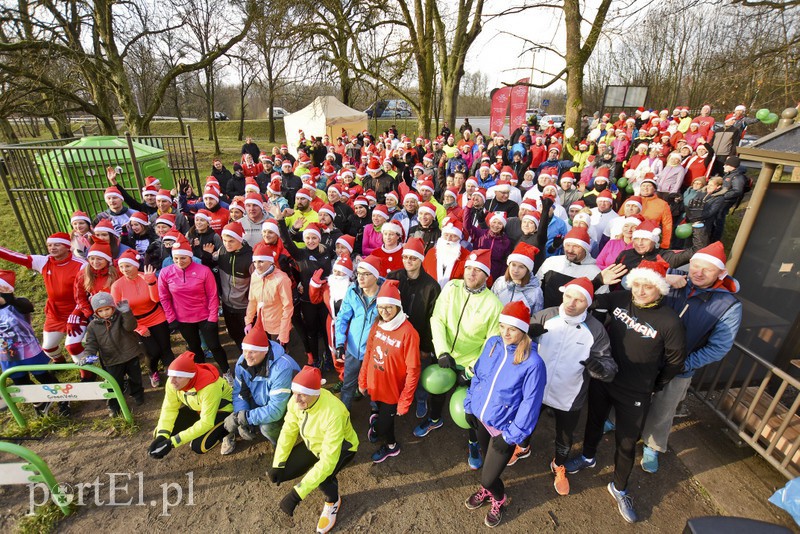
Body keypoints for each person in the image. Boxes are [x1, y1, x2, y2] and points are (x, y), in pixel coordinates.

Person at [565, 259, 686, 523]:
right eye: (638, 285)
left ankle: (619, 487)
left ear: (661, 289)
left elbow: (676, 361)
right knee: (594, 421)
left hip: (636, 391)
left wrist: (655, 384)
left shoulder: (670, 321)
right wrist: (598, 281)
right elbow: (587, 300)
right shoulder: (620, 298)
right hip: (604, 379)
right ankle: (587, 456)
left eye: (649, 287)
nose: (641, 292)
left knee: (627, 441)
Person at [639, 242, 741, 473]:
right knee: (630, 392)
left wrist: (683, 364)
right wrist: (663, 278)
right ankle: (616, 421)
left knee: (664, 407)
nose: (698, 272)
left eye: (707, 269)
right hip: (646, 355)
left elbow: (720, 347)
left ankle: (653, 445)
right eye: (695, 266)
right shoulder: (674, 278)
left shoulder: (728, 304)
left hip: (681, 367)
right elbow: (632, 285)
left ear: (720, 273)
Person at [463, 300, 547, 528]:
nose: (505, 333)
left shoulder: (533, 363)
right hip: (481, 418)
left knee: (488, 476)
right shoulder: (493, 344)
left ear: (523, 330)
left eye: (512, 328)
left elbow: (531, 405)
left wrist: (510, 436)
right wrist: (470, 405)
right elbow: (479, 376)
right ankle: (488, 491)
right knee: (486, 466)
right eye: (502, 326)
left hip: (504, 429)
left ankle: (499, 498)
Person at [419, 249, 503, 470]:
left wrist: (472, 370)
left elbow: (491, 344)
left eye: (477, 270)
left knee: (469, 408)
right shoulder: (451, 288)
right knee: (435, 391)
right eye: (468, 268)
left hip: (470, 364)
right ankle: (434, 419)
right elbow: (437, 319)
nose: (471, 273)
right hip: (445, 355)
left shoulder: (493, 304)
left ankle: (473, 442)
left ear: (486, 275)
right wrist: (442, 351)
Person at [530, 278, 615, 494]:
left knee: (565, 437)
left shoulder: (595, 330)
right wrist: (527, 336)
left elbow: (609, 366)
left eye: (579, 300)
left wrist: (598, 368)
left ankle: (559, 465)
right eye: (568, 296)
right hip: (536, 388)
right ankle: (522, 448)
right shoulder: (545, 316)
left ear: (588, 303)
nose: (571, 303)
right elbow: (518, 344)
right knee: (526, 424)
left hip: (569, 395)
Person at [268, 366, 359, 534]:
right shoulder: (296, 401)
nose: (296, 400)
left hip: (343, 448)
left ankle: (333, 501)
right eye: (294, 393)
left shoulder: (334, 413)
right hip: (314, 445)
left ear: (316, 392)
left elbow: (328, 460)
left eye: (302, 394)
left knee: (324, 478)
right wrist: (278, 463)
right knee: (282, 471)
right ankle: (310, 474)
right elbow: (288, 431)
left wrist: (297, 494)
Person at [0, 233, 85, 373]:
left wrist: (77, 313)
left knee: (73, 347)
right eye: (50, 245)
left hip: (77, 312)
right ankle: (59, 362)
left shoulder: (81, 265)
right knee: (48, 347)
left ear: (67, 246)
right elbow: (15, 256)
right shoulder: (44, 261)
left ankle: (87, 375)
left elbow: (86, 295)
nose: (52, 248)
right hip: (55, 313)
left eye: (57, 245)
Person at [358, 280, 421, 462]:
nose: (384, 312)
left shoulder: (409, 333)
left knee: (384, 426)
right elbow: (369, 353)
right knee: (379, 410)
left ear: (398, 307)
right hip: (375, 384)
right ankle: (377, 421)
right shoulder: (377, 325)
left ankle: (391, 446)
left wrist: (405, 402)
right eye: (381, 307)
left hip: (393, 391)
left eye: (389, 308)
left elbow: (413, 371)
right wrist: (363, 381)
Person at [157, 237, 232, 383]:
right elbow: (164, 297)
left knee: (214, 346)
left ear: (190, 256)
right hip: (183, 319)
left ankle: (227, 372)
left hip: (204, 316)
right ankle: (202, 374)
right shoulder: (166, 273)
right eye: (176, 258)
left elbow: (212, 295)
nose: (179, 261)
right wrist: (171, 318)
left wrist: (212, 317)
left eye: (183, 258)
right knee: (194, 348)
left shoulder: (203, 270)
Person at [222, 321, 300, 455]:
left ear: (264, 351)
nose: (247, 355)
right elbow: (240, 392)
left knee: (267, 427)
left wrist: (243, 418)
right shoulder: (243, 362)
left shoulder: (282, 368)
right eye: (245, 350)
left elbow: (276, 410)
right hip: (264, 398)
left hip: (287, 404)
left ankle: (282, 443)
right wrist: (242, 414)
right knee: (240, 412)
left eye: (252, 352)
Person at [0, 270, 68, 416]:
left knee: (43, 376)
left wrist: (9, 297)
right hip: (7, 355)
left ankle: (63, 398)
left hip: (29, 350)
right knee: (20, 382)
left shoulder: (17, 305)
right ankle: (39, 401)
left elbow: (27, 307)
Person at [274, 206, 333, 367]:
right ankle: (315, 358)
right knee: (312, 332)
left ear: (319, 239)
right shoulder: (301, 254)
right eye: (308, 238)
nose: (311, 241)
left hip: (325, 300)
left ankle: (329, 356)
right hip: (308, 301)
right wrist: (280, 221)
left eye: (314, 238)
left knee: (327, 331)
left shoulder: (327, 251)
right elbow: (286, 241)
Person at [149, 351, 234, 457]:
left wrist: (173, 442)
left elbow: (206, 422)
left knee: (199, 446)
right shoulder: (172, 382)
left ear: (190, 377)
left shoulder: (210, 387)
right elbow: (169, 409)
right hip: (198, 409)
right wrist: (162, 436)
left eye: (178, 377)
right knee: (161, 432)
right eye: (170, 376)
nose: (172, 381)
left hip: (223, 411)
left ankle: (229, 431)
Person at [112, 251, 173, 388]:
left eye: (128, 266)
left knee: (165, 347)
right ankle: (153, 371)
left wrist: (151, 282)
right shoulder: (117, 286)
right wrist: (138, 327)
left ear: (135, 265)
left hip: (156, 316)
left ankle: (173, 373)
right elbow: (120, 312)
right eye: (121, 267)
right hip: (135, 321)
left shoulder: (146, 277)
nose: (124, 270)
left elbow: (156, 300)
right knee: (152, 352)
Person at [83, 292, 145, 416]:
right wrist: (88, 355)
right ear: (96, 312)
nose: (105, 313)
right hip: (111, 359)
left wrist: (127, 312)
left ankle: (137, 394)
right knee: (113, 382)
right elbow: (91, 343)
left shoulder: (120, 316)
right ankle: (114, 404)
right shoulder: (93, 326)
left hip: (130, 354)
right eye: (101, 311)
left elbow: (131, 326)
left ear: (113, 307)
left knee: (135, 377)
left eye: (107, 309)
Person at [335, 255, 384, 410]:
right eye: (358, 273)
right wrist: (340, 343)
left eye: (365, 274)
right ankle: (344, 414)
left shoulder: (386, 295)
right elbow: (342, 318)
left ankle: (375, 416)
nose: (360, 278)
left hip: (375, 352)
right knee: (348, 384)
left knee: (375, 386)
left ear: (375, 276)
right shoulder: (353, 290)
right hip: (353, 349)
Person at [536, 227, 607, 309]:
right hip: (545, 314)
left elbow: (600, 307)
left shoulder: (595, 273)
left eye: (576, 246)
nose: (570, 250)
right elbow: (536, 287)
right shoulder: (551, 262)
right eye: (568, 245)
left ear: (585, 249)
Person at [211, 222, 253, 351]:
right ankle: (243, 357)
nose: (227, 244)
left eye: (231, 241)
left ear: (239, 240)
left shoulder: (250, 257)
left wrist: (250, 299)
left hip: (244, 307)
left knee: (250, 338)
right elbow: (212, 262)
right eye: (224, 240)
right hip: (227, 305)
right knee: (234, 335)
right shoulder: (222, 251)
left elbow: (257, 283)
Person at [491, 242, 544, 315]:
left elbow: (535, 318)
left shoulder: (535, 292)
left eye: (521, 267)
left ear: (527, 270)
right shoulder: (500, 282)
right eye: (513, 265)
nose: (515, 270)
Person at [422, 220, 471, 288]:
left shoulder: (466, 256)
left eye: (453, 236)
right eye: (446, 235)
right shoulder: (431, 252)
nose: (448, 239)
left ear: (459, 238)